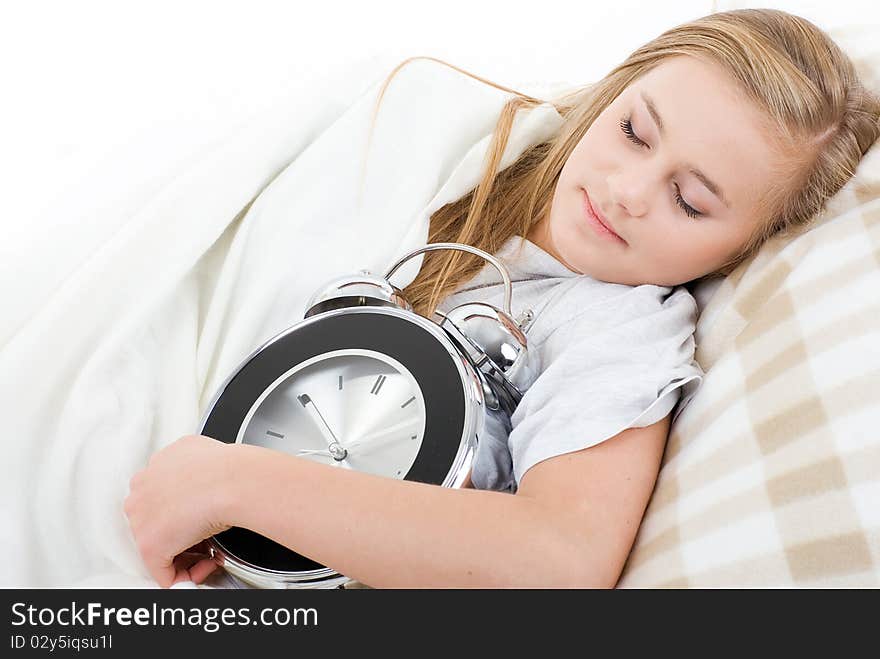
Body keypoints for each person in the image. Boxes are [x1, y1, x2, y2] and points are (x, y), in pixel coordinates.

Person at [124, 8, 880, 588]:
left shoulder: (614, 328)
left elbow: (562, 556)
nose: (625, 191)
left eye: (688, 200)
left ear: (743, 249)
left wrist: (231, 481)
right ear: (613, 89)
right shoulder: (453, 137)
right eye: (633, 132)